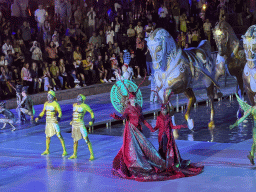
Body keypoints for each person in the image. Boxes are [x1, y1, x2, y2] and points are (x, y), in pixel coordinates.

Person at [35, 91, 67, 157]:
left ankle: (64, 150)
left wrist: (58, 118)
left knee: (59, 135)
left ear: (53, 96)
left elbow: (60, 112)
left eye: (50, 95)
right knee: (47, 136)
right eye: (48, 95)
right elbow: (43, 112)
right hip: (48, 121)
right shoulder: (46, 103)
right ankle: (47, 150)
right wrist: (39, 117)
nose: (48, 96)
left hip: (54, 121)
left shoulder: (56, 104)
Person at [230, 94, 256, 165]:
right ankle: (251, 155)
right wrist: (234, 124)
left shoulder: (252, 109)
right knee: (255, 143)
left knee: (255, 143)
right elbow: (243, 118)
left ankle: (251, 155)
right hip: (255, 130)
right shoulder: (252, 109)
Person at [69, 94, 95, 160]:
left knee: (86, 139)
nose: (78, 97)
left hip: (80, 124)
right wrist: (72, 120)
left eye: (80, 97)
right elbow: (74, 114)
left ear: (82, 99)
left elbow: (91, 113)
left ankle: (92, 155)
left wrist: (92, 120)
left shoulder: (85, 106)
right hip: (74, 124)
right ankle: (74, 154)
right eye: (77, 96)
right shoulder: (74, 105)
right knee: (75, 140)